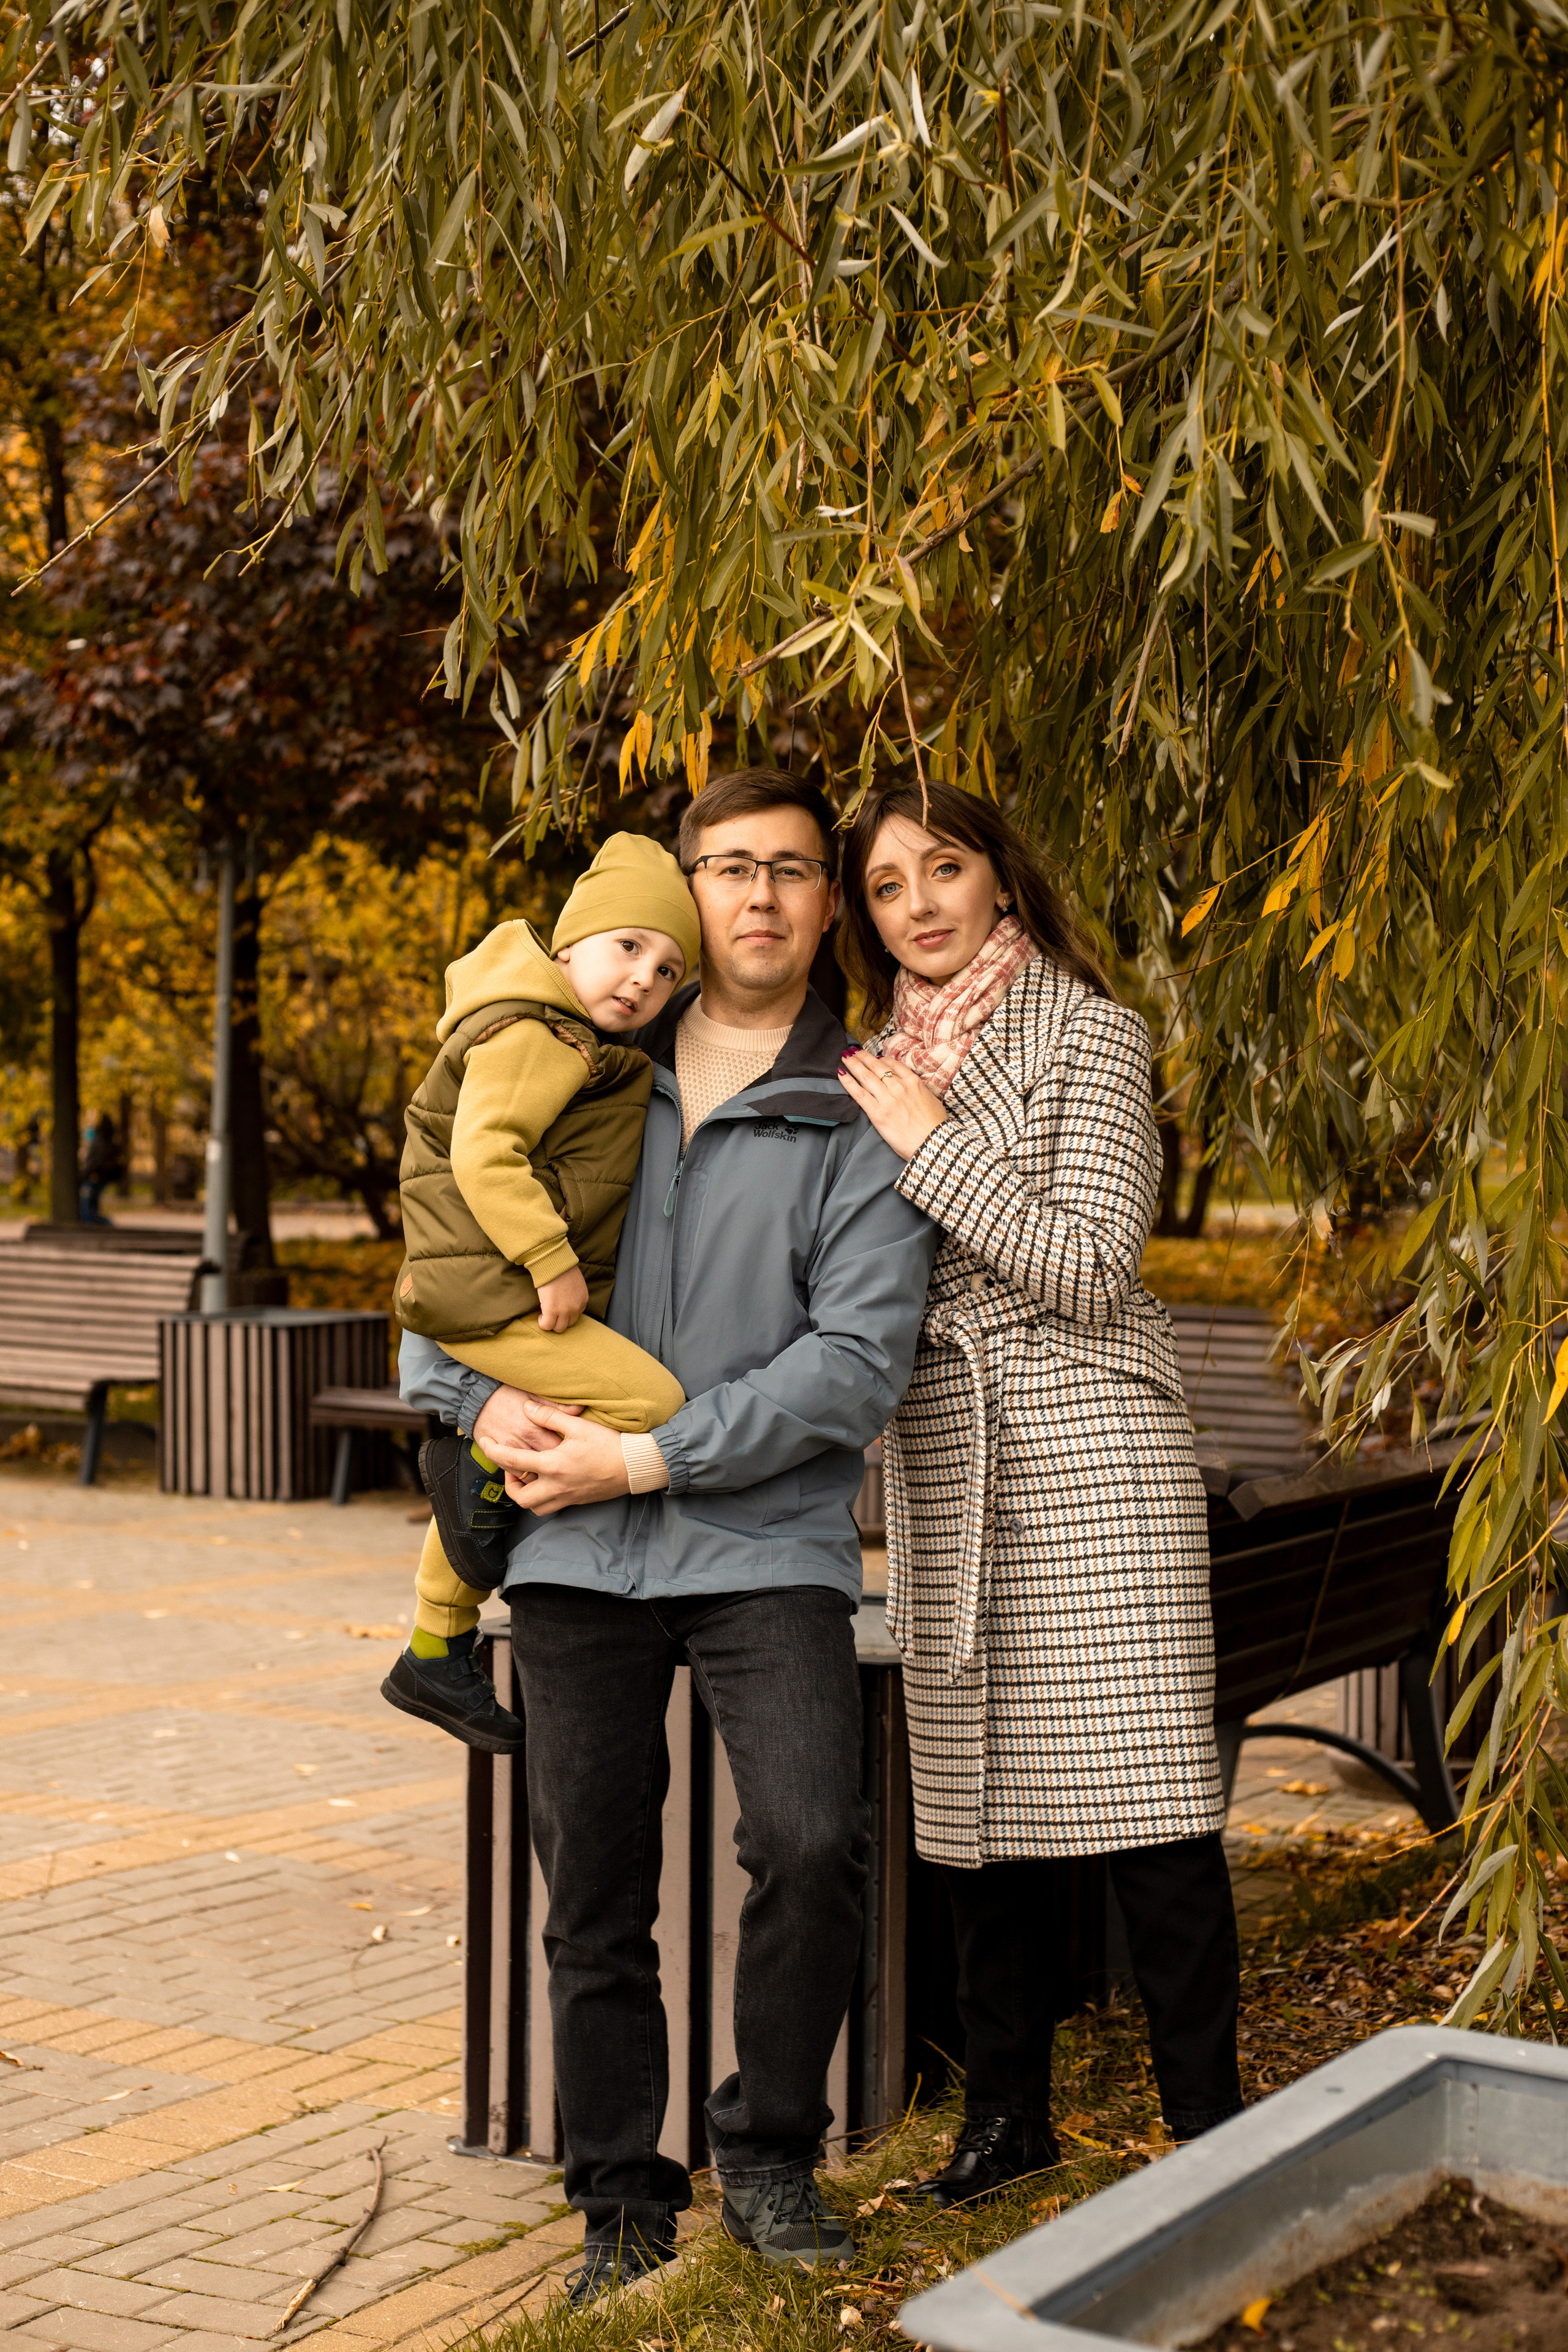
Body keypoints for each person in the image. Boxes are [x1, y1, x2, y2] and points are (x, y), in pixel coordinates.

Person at [399, 770, 938, 2302]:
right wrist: (462, 1403)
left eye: (789, 869)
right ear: (680, 895)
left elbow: (854, 1360)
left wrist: (647, 1452)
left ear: (828, 904)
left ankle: (766, 2149)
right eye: (727, 866)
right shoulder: (580, 1063)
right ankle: (617, 2196)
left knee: (812, 1841)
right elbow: (443, 1252)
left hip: (763, 1540)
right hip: (570, 1553)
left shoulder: (862, 1104)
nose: (758, 894)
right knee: (591, 1887)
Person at [836, 778, 1242, 2209]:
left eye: (943, 869)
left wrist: (928, 1145)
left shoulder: (1090, 1031)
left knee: (1151, 1809)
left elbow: (1089, 1261)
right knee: (974, 1818)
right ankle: (1007, 2114)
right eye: (887, 885)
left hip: (1094, 1450)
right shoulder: (872, 1060)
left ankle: (1210, 2120)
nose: (919, 904)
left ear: (999, 878)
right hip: (947, 1448)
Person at [382, 833, 699, 1754]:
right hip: (495, 1293)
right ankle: (473, 1474)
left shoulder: (567, 1035)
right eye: (628, 947)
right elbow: (485, 1152)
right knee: (653, 1403)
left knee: (550, 1416)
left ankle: (437, 1645)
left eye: (669, 968)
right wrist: (550, 1258)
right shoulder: (539, 1032)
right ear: (568, 949)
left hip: (483, 1291)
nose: (645, 978)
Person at [79, 1111, 123, 1224]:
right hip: (99, 1176)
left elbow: (95, 1160)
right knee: (91, 1206)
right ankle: (103, 1224)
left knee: (87, 1209)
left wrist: (86, 1173)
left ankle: (105, 1224)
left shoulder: (100, 1139)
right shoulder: (106, 1138)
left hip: (95, 1176)